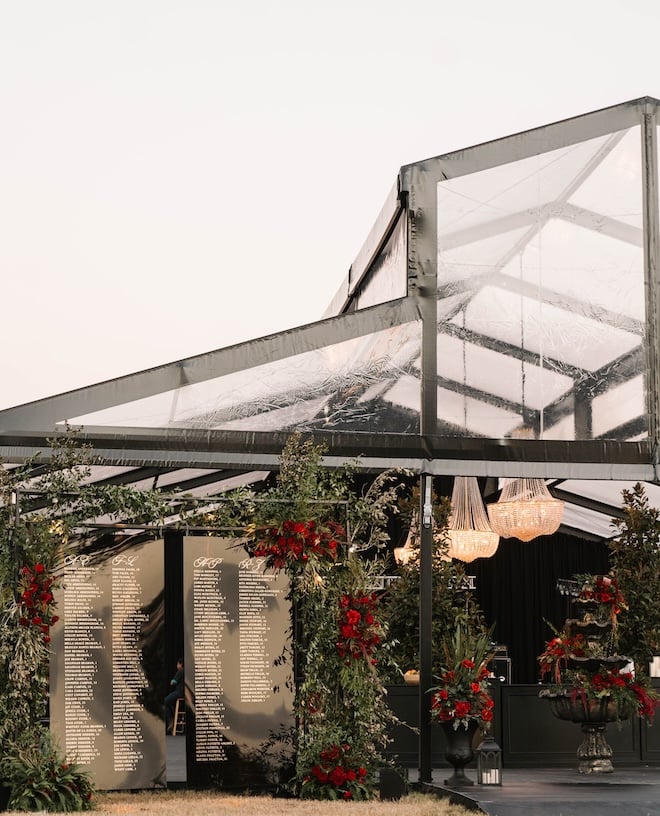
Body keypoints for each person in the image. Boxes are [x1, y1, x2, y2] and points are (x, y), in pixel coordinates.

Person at [164, 658, 184, 733]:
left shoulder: (181, 671)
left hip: (180, 692)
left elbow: (173, 682)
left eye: (177, 664)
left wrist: (172, 681)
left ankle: (171, 720)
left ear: (181, 664)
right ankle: (176, 719)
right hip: (184, 694)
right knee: (171, 702)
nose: (177, 666)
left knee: (165, 701)